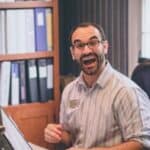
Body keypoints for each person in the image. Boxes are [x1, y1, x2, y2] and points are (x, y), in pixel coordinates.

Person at [44, 22, 150, 150]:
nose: (87, 50)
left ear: (105, 47)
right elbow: (72, 138)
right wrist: (58, 135)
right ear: (73, 53)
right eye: (79, 45)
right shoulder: (69, 91)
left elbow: (143, 142)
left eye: (93, 43)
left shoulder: (126, 91)